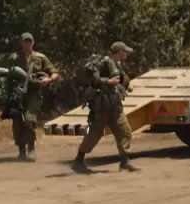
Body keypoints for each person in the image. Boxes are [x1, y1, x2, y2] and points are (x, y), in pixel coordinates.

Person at [72, 42, 137, 174]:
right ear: (120, 52)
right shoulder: (103, 64)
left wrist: (126, 85)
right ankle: (78, 160)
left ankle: (125, 161)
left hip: (115, 105)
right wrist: (108, 81)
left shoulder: (118, 65)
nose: (127, 54)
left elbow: (121, 79)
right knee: (94, 134)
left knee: (125, 131)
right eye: (125, 51)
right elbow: (94, 81)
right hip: (101, 106)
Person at [7, 33, 61, 162]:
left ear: (33, 42)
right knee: (17, 122)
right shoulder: (14, 57)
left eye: (29, 41)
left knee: (29, 119)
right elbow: (7, 74)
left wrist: (49, 80)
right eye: (25, 41)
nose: (27, 43)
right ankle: (21, 151)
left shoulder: (40, 58)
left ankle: (31, 149)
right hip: (18, 93)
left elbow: (55, 72)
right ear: (21, 42)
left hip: (33, 93)